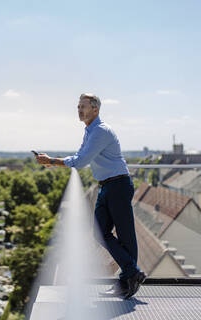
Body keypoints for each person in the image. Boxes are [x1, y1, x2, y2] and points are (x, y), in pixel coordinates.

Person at [35, 93, 146, 299]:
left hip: (119, 185)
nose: (79, 110)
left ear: (95, 109)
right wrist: (52, 162)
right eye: (78, 106)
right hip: (106, 186)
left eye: (83, 106)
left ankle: (127, 280)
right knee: (99, 231)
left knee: (126, 236)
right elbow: (78, 157)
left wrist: (52, 160)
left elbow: (81, 161)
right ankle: (131, 273)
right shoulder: (90, 131)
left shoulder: (101, 131)